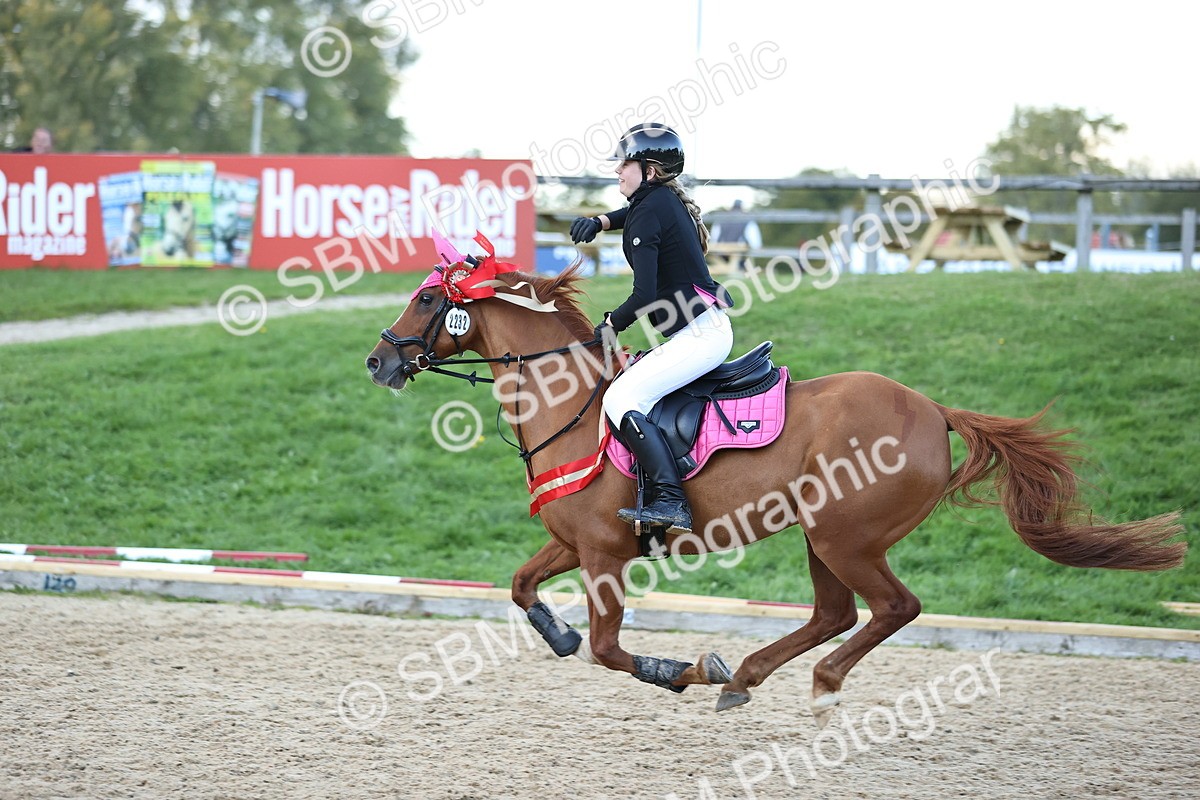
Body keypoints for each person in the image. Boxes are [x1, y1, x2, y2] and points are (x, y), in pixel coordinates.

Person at [570, 123, 734, 534]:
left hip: (698, 337)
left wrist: (611, 323)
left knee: (621, 397)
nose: (617, 172)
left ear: (650, 170)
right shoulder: (659, 200)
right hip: (703, 329)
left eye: (624, 163)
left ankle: (671, 501)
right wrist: (603, 222)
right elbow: (636, 215)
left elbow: (643, 295)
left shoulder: (651, 208)